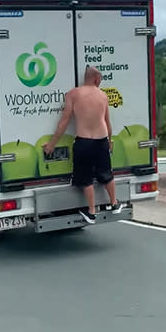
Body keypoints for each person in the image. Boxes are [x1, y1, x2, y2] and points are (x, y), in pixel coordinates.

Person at [42, 66, 125, 224]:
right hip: (101, 140)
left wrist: (52, 144)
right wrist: (109, 140)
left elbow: (64, 121)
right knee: (106, 173)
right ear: (96, 78)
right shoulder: (103, 96)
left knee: (85, 177)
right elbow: (107, 122)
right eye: (100, 79)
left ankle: (91, 212)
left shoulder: (73, 94)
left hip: (84, 141)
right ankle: (114, 203)